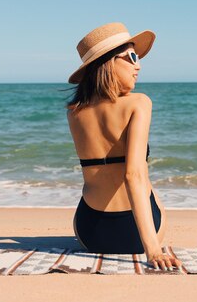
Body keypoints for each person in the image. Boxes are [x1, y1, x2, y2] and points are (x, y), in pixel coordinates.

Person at [66, 22, 182, 271]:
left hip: (88, 232)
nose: (138, 65)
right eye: (131, 56)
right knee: (145, 178)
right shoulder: (139, 103)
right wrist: (152, 251)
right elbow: (133, 175)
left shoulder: (74, 111)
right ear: (108, 62)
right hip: (134, 236)